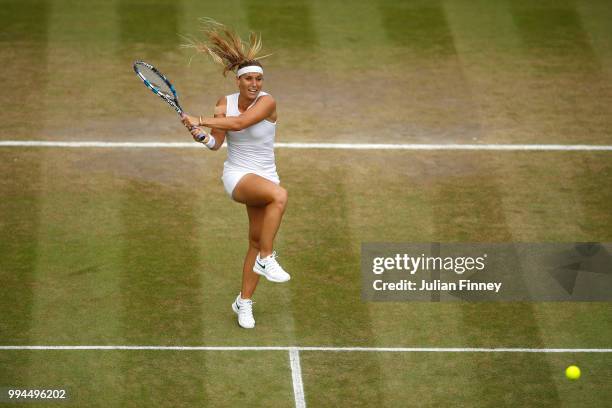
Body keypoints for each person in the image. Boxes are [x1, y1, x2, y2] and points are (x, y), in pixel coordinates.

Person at [181, 20, 290, 329]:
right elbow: (216, 143)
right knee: (279, 197)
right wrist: (199, 134)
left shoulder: (267, 102)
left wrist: (197, 119)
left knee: (256, 239)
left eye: (259, 79)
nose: (255, 84)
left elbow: (240, 124)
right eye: (250, 79)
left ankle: (243, 302)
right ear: (238, 82)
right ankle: (267, 259)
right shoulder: (222, 103)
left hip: (266, 174)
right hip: (238, 175)